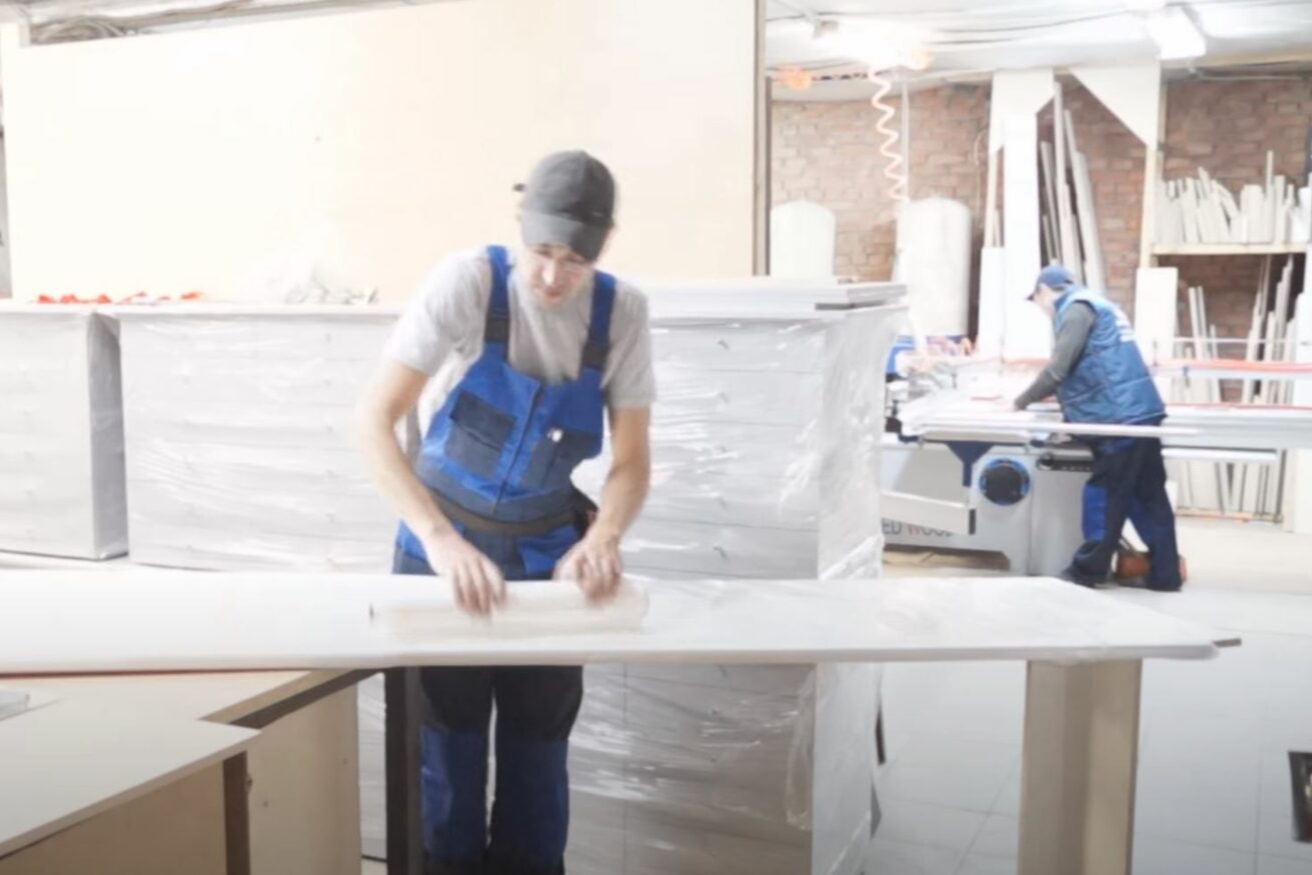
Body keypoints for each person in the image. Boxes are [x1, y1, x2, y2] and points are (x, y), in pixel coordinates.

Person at [357, 150, 655, 874]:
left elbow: (632, 461)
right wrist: (439, 540)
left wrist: (604, 537)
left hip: (548, 557)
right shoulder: (470, 282)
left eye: (576, 260)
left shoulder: (621, 314)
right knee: (446, 755)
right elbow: (372, 423)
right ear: (520, 225)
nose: (553, 276)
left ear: (605, 246)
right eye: (542, 251)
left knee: (538, 758)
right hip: (439, 545)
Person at [1014, 264, 1181, 592]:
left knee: (1105, 495)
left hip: (1117, 418)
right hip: (1140, 410)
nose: (1042, 310)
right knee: (1148, 496)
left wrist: (1018, 402)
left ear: (1043, 291)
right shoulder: (1099, 304)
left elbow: (1058, 370)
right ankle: (1165, 574)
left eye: (1037, 301)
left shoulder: (1075, 309)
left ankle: (1087, 571)